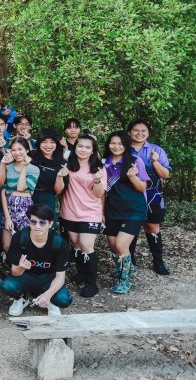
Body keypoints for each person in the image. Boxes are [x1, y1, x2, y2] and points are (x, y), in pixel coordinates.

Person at [2, 204, 72, 317]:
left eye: (42, 223)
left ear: (50, 224)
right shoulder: (20, 238)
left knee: (63, 300)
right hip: (27, 276)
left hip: (49, 278)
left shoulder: (59, 242)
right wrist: (21, 268)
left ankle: (50, 302)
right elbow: (14, 272)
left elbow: (60, 277)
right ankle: (21, 299)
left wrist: (48, 294)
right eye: (33, 222)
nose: (37, 226)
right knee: (8, 285)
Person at [59, 135, 107, 298]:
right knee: (75, 244)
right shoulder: (67, 163)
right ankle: (81, 273)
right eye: (80, 146)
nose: (83, 150)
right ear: (75, 147)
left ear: (93, 150)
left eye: (87, 147)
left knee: (86, 245)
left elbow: (99, 194)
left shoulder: (99, 167)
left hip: (90, 212)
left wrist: (97, 181)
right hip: (69, 211)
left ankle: (91, 283)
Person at [103, 131, 150, 293]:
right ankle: (128, 268)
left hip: (133, 210)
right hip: (112, 209)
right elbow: (103, 191)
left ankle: (123, 281)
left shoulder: (135, 161)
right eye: (113, 143)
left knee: (121, 245)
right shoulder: (104, 163)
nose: (116, 147)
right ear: (108, 145)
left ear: (126, 145)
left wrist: (133, 177)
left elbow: (142, 187)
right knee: (113, 246)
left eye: (120, 143)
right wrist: (101, 212)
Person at [128, 119, 172, 275]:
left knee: (152, 227)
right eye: (136, 130)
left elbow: (166, 174)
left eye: (144, 131)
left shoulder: (156, 150)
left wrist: (155, 161)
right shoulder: (123, 149)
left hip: (153, 194)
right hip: (130, 195)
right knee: (130, 227)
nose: (140, 133)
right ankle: (130, 261)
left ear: (148, 133)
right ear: (129, 132)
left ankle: (158, 261)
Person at [1, 138, 40, 253]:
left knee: (24, 244)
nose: (17, 153)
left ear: (27, 150)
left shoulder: (34, 169)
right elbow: (2, 192)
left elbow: (21, 188)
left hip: (25, 209)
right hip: (9, 208)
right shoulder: (8, 167)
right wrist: (7, 217)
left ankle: (24, 264)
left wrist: (25, 166)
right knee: (7, 246)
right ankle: (11, 263)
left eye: (20, 149)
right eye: (13, 150)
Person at [30, 128, 69, 226]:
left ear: (56, 144)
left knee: (46, 227)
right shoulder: (31, 156)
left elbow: (58, 191)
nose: (48, 145)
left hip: (47, 198)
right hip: (28, 196)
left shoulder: (62, 163)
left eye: (52, 142)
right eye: (44, 142)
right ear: (39, 143)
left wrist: (59, 176)